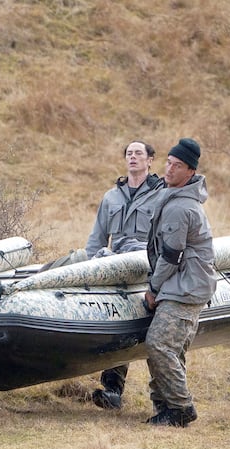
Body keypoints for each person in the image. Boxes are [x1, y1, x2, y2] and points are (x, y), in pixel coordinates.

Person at [85, 140, 164, 410]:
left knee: (158, 335)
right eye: (129, 153)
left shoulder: (161, 194)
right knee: (117, 328)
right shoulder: (112, 197)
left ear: (150, 160)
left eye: (138, 153)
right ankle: (112, 390)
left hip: (149, 268)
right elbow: (97, 239)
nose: (133, 157)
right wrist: (90, 269)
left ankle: (165, 398)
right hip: (117, 268)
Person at [143, 138, 217, 427]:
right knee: (170, 348)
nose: (170, 169)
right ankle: (164, 405)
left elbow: (171, 256)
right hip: (188, 284)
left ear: (190, 172)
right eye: (169, 163)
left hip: (185, 288)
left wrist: (153, 289)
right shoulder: (175, 196)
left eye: (178, 166)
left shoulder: (180, 206)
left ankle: (180, 408)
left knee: (159, 344)